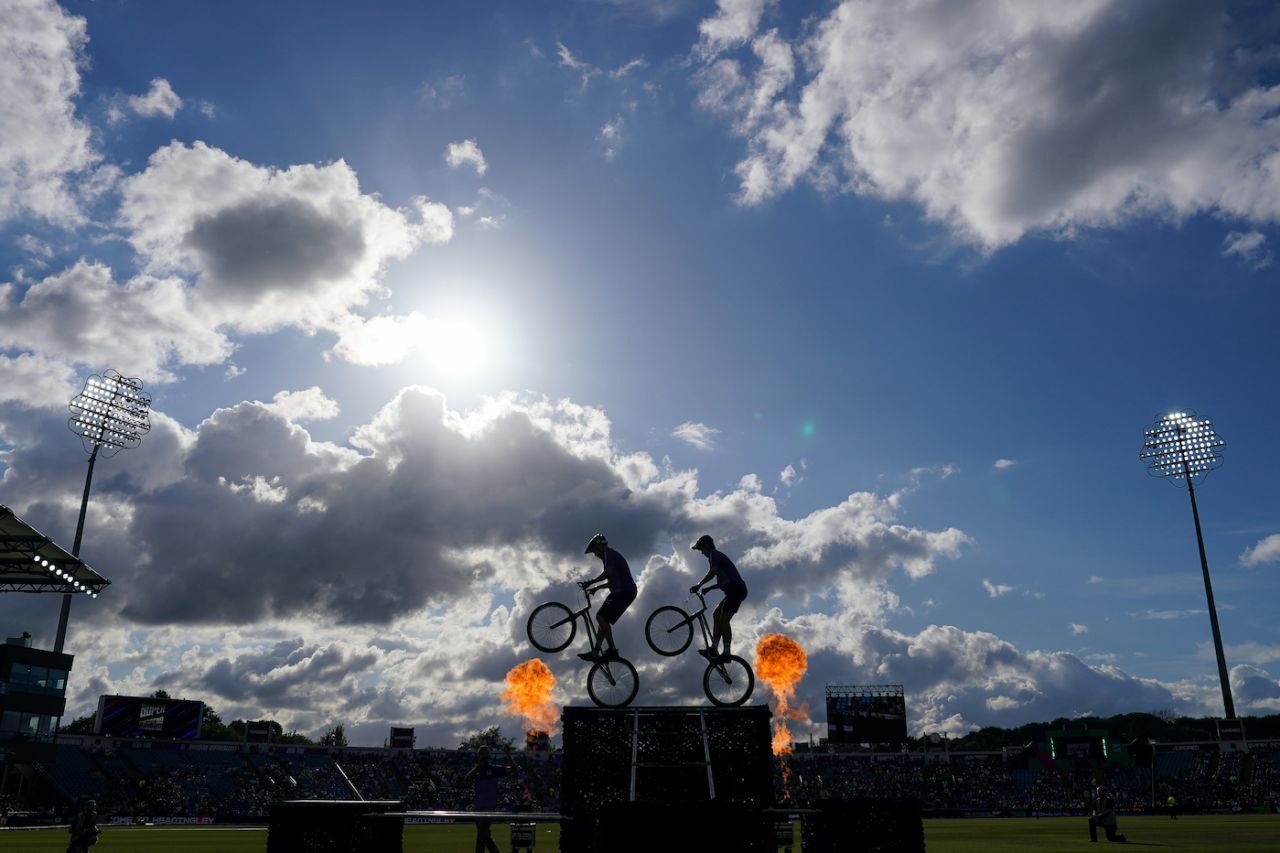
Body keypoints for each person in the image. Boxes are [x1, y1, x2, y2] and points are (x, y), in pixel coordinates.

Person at [578, 533, 637, 662]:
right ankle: (596, 652)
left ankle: (612, 650)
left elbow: (608, 573)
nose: (594, 555)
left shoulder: (609, 554)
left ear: (600, 547)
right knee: (602, 621)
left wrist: (591, 582)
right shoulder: (608, 557)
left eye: (594, 551)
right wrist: (597, 588)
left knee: (600, 617)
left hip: (624, 592)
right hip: (623, 592)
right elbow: (612, 581)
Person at [689, 534, 748, 662]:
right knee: (716, 614)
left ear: (707, 546)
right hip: (733, 589)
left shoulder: (714, 555)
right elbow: (724, 581)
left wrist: (699, 585)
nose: (701, 552)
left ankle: (726, 653)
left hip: (736, 589)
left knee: (724, 620)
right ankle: (714, 648)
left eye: (701, 549)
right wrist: (709, 588)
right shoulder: (714, 557)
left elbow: (713, 572)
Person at [463, 744, 514, 853]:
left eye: (486, 753)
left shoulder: (494, 769)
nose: (484, 755)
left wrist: (509, 755)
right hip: (478, 806)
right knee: (485, 835)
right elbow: (466, 779)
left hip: (489, 806)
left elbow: (513, 769)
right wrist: (478, 767)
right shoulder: (476, 770)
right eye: (482, 753)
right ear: (479, 755)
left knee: (481, 834)